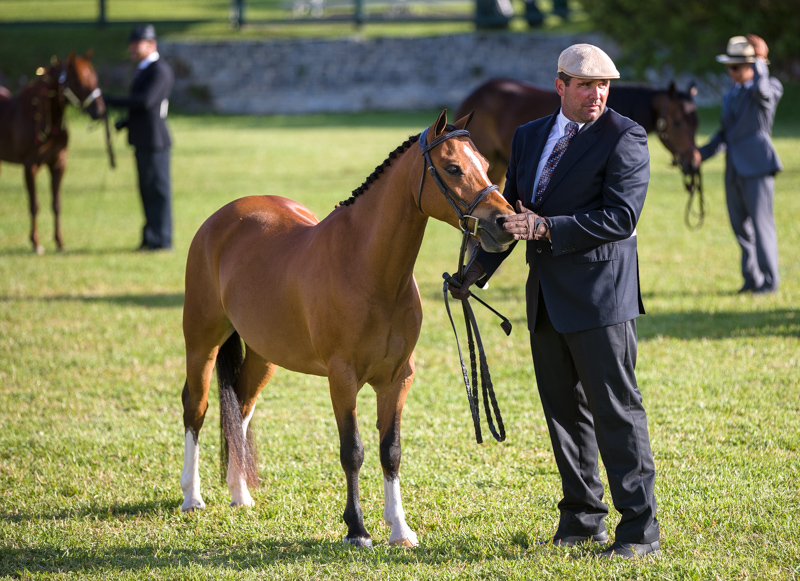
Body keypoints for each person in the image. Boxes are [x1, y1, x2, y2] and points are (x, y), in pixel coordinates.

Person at [451, 44, 660, 559]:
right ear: (560, 85)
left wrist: (545, 227)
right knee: (564, 414)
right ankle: (582, 518)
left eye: (604, 85)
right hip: (545, 299)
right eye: (586, 85)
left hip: (601, 300)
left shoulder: (625, 136)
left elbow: (620, 219)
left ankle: (639, 530)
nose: (597, 95)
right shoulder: (527, 137)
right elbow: (511, 219)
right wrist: (473, 273)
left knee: (617, 413)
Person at [693, 35, 783, 294]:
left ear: (752, 65)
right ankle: (751, 278)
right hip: (733, 167)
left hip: (757, 166)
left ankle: (770, 281)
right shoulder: (731, 94)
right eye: (729, 67)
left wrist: (759, 61)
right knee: (739, 226)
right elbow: (725, 133)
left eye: (736, 66)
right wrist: (700, 154)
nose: (730, 72)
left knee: (761, 225)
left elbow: (762, 90)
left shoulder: (769, 86)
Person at [106, 24, 175, 251]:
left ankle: (162, 239)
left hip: (155, 142)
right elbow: (145, 109)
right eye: (132, 45)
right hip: (144, 139)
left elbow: (146, 102)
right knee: (146, 191)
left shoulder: (160, 70)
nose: (133, 49)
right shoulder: (145, 69)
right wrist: (126, 122)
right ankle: (150, 236)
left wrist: (110, 100)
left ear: (151, 45)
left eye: (138, 44)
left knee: (158, 191)